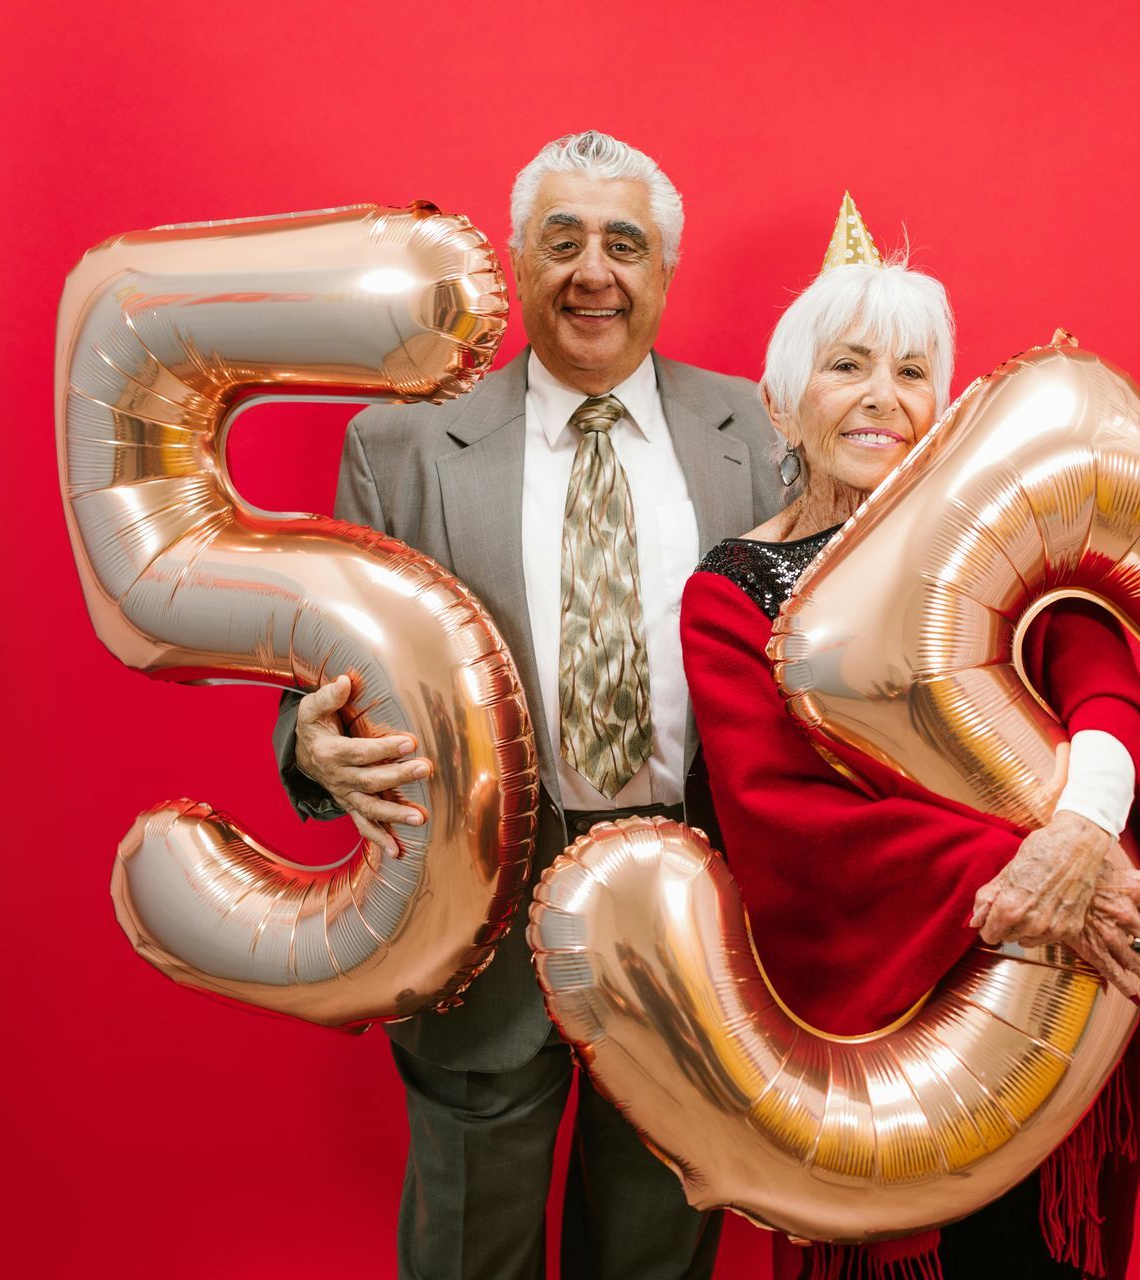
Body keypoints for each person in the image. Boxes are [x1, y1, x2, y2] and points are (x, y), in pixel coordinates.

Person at [274, 131, 782, 1280]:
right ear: (516, 261)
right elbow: (334, 673)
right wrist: (310, 744)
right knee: (467, 1254)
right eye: (562, 241)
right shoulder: (401, 448)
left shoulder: (759, 431)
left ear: (664, 270)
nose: (591, 270)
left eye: (622, 242)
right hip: (483, 907)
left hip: (685, 909)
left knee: (657, 1248)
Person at [678, 203, 1140, 1280]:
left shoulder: (1016, 543)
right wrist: (1017, 861)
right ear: (781, 401)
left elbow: (1110, 699)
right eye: (847, 365)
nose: (883, 397)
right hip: (877, 1009)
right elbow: (780, 817)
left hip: (1052, 969)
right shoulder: (732, 590)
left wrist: (1083, 836)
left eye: (913, 371)